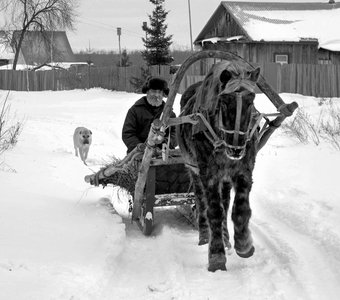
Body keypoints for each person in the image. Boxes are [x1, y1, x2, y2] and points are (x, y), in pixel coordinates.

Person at [122, 76, 177, 154]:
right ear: (147, 92)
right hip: (139, 153)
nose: (157, 95)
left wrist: (166, 142)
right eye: (154, 91)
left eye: (159, 92)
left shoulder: (169, 113)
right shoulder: (135, 110)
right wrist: (140, 146)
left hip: (164, 154)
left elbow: (176, 133)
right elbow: (128, 134)